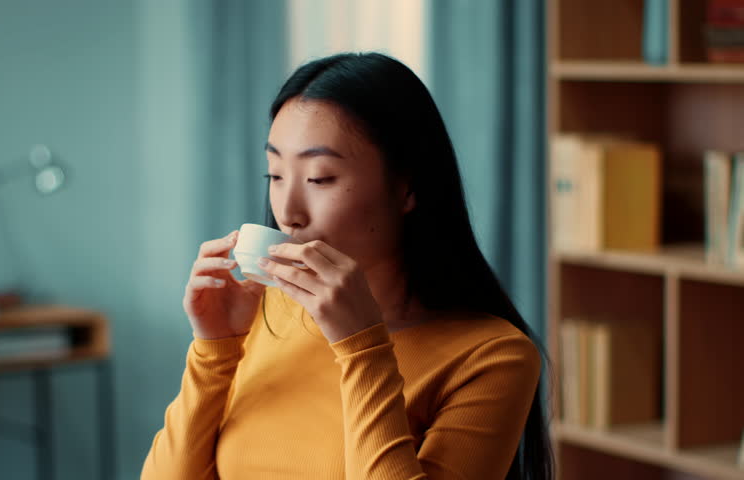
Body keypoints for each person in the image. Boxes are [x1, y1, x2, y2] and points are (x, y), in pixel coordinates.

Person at [141, 52, 553, 480]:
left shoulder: (491, 357)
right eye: (275, 175)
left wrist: (362, 346)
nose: (288, 212)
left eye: (319, 178)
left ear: (407, 188)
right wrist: (215, 349)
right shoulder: (263, 314)